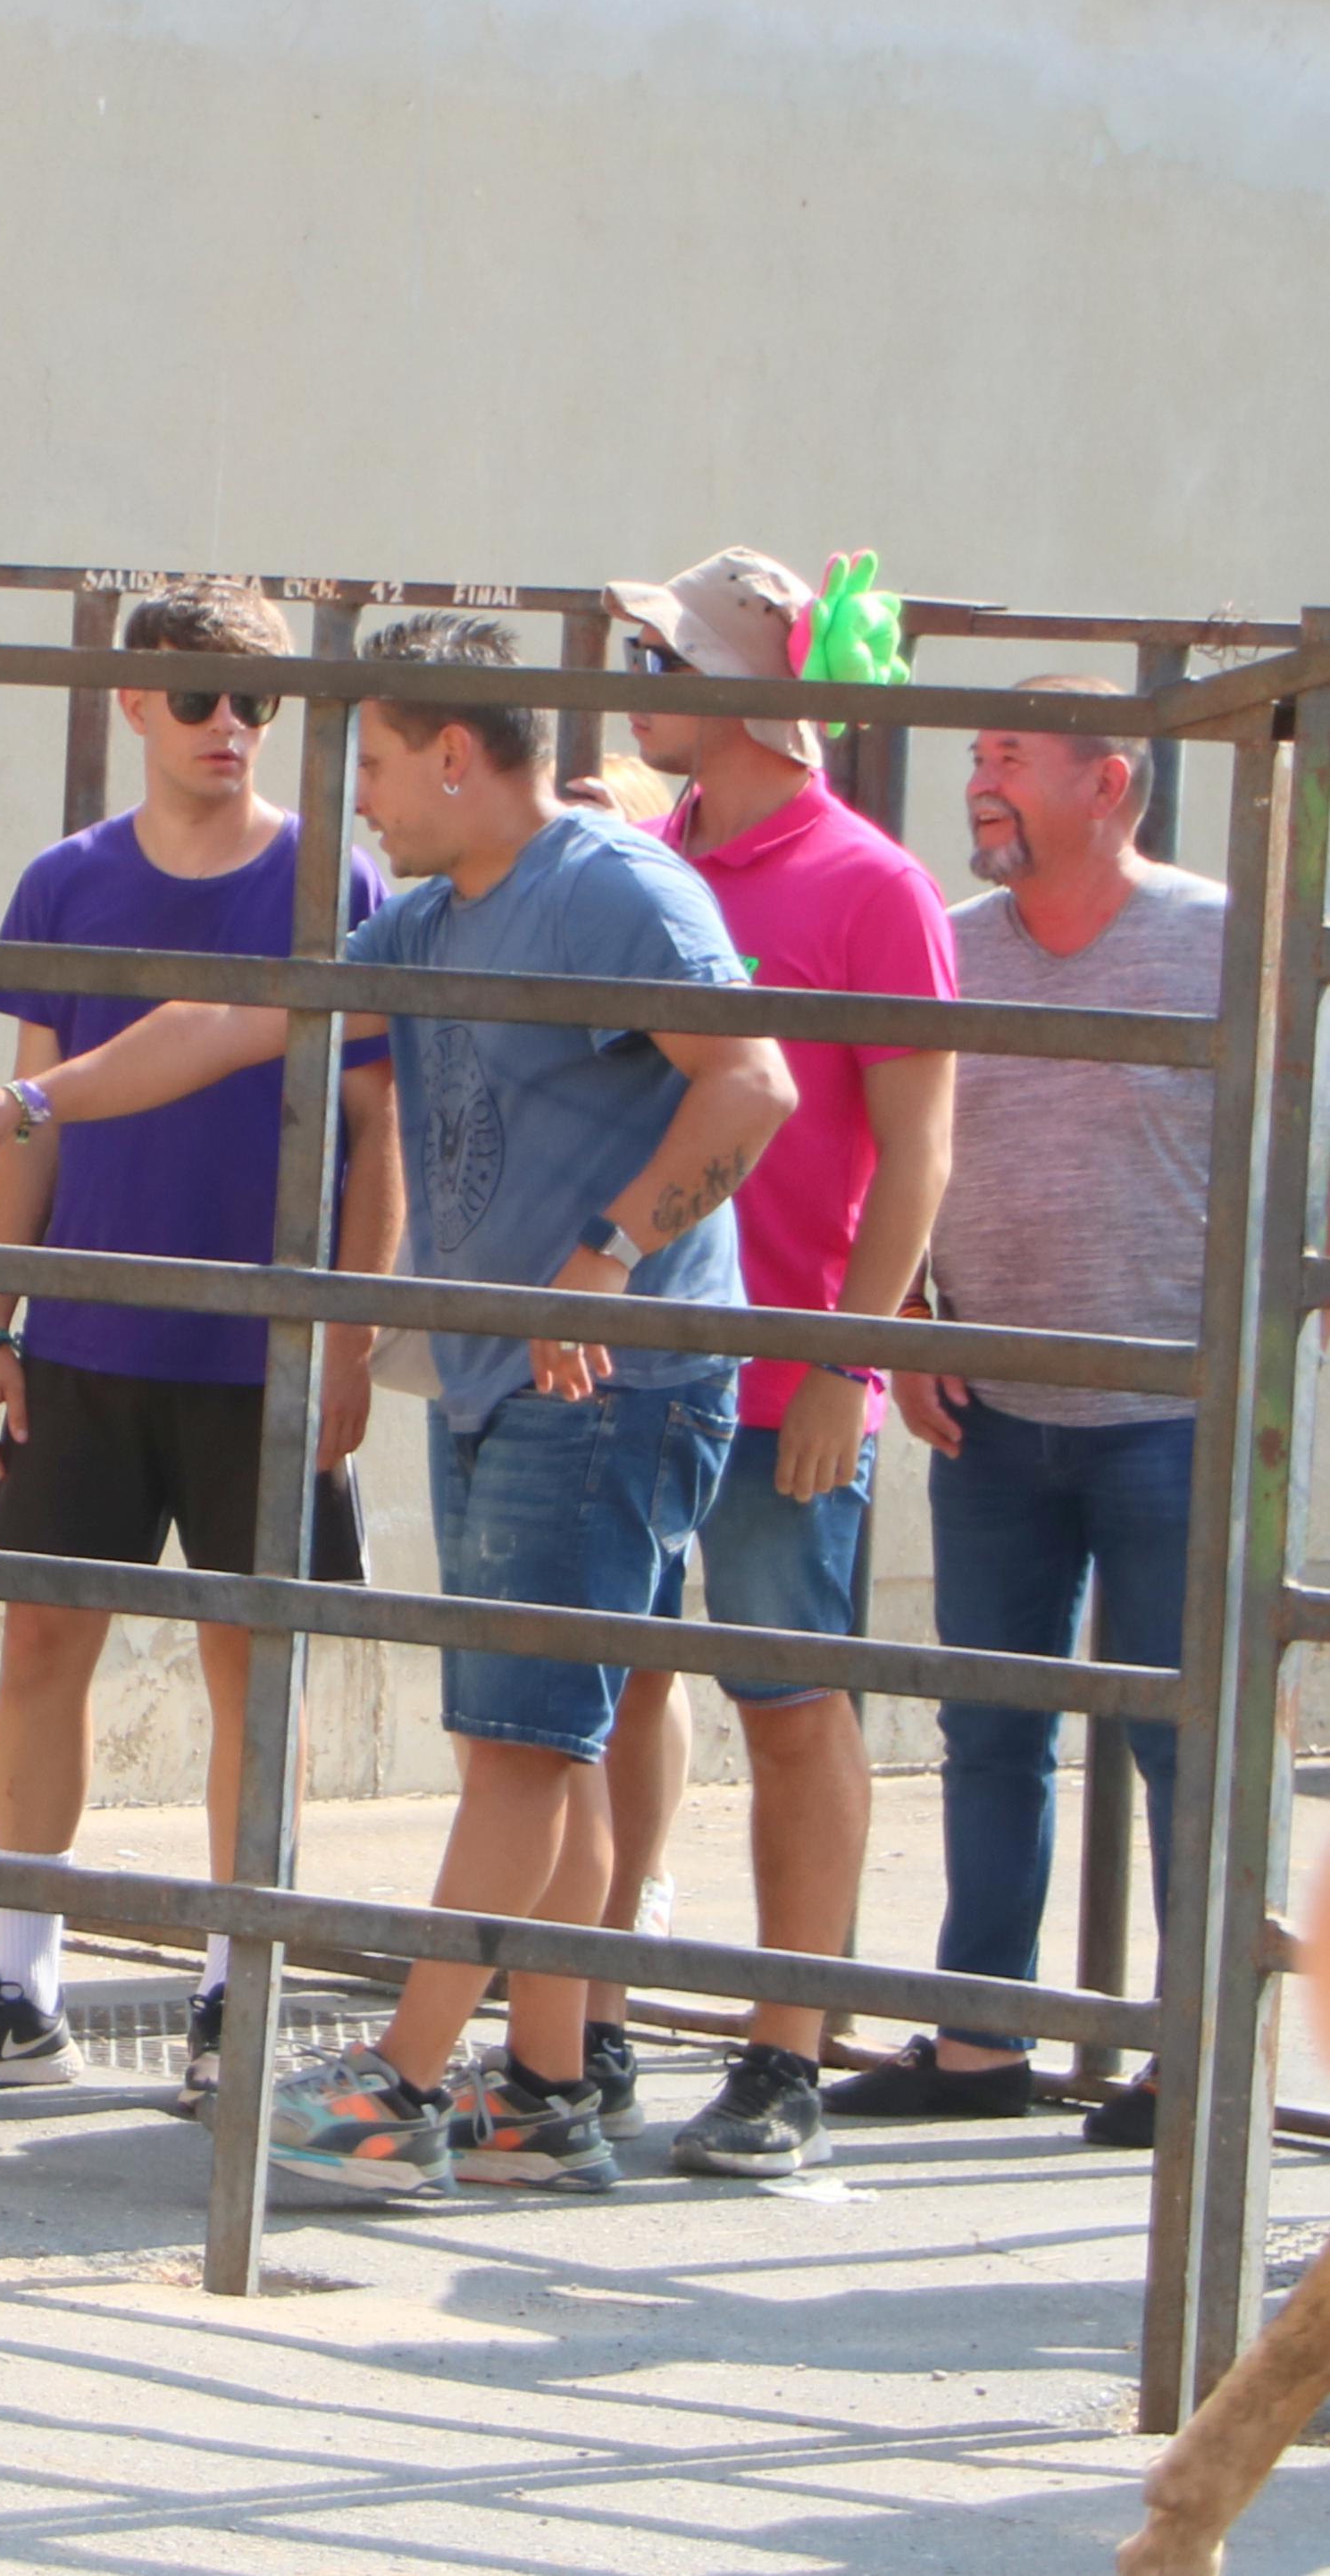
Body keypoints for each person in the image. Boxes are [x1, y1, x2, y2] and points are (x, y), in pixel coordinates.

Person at [0, 615, 794, 2196]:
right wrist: (31, 1097)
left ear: (454, 756)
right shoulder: (425, 918)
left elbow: (755, 1082)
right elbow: (222, 1022)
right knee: (555, 1749)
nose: (364, 803)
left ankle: (401, 2085)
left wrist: (601, 1265)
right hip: (499, 1375)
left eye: (379, 766)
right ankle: (542, 2096)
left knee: (522, 1752)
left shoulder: (610, 892)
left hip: (609, 1376)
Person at [0, 580, 401, 2102]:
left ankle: (242, 1980)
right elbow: (24, 1119)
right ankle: (23, 1974)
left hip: (264, 1353)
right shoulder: (65, 882)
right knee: (42, 1642)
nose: (231, 728)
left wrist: (350, 1335)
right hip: (88, 1346)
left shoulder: (334, 881)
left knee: (255, 1668)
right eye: (200, 700)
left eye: (259, 703)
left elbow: (379, 1130)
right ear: (133, 704)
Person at [578, 551, 958, 2178]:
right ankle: (581, 2022)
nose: (630, 670)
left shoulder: (873, 882)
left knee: (792, 1703)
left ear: (738, 686)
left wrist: (842, 1371)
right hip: (636, 1356)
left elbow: (919, 1145)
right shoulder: (648, 858)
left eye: (656, 648)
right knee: (616, 1691)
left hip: (780, 1371)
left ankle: (787, 2050)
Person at [824, 680, 1214, 2148]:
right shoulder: (952, 950)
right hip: (988, 1408)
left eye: (1007, 759)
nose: (978, 784)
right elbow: (891, 1150)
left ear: (1107, 781)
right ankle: (983, 2041)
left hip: (1170, 1415)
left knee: (1184, 1742)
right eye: (975, 758)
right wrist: (910, 1317)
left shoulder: (1218, 937)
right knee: (990, 1729)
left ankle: (1192, 2056)